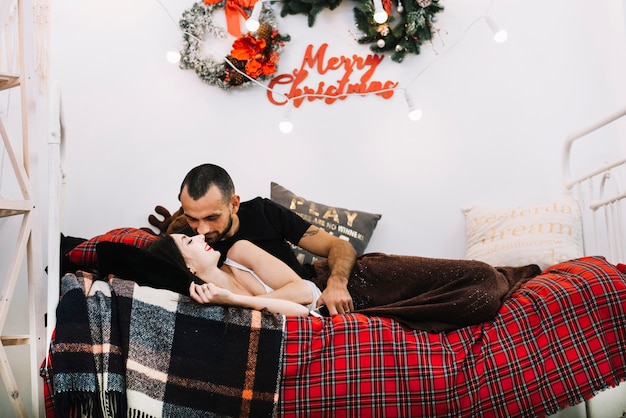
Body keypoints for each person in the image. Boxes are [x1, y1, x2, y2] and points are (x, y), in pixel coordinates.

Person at [147, 233, 542, 332]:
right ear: (188, 267)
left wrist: (240, 297)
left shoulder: (240, 251)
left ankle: (506, 274)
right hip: (347, 312)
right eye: (189, 241)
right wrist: (234, 300)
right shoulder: (215, 298)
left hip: (358, 280)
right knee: (476, 302)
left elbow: (303, 294)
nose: (201, 236)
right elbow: (299, 313)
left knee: (478, 276)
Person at [170, 163, 357, 315]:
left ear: (234, 204)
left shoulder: (263, 213)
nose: (201, 231)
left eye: (212, 217)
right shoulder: (189, 247)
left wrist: (337, 284)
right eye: (192, 218)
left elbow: (339, 246)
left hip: (307, 293)